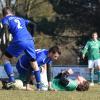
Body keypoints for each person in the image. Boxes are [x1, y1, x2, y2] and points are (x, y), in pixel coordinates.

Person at [1, 7, 41, 90]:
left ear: (4, 14)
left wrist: (7, 41)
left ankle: (11, 79)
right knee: (34, 63)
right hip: (30, 40)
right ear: (12, 13)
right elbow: (33, 25)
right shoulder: (20, 18)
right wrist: (32, 36)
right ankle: (39, 86)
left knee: (5, 58)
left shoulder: (5, 19)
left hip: (19, 40)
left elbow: (5, 28)